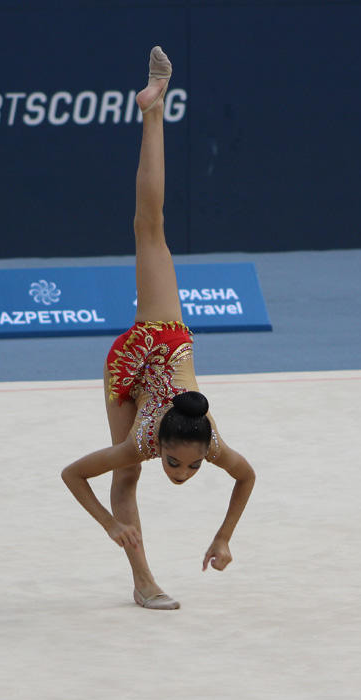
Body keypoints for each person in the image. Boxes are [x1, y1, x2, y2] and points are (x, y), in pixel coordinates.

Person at [61, 46, 256, 610]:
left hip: (133, 370)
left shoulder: (210, 445)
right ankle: (154, 107)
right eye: (176, 462)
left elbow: (246, 477)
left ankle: (155, 105)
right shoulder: (144, 442)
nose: (184, 472)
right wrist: (108, 523)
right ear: (161, 444)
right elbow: (72, 474)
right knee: (150, 228)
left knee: (125, 472)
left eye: (189, 465)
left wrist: (224, 536)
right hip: (155, 340)